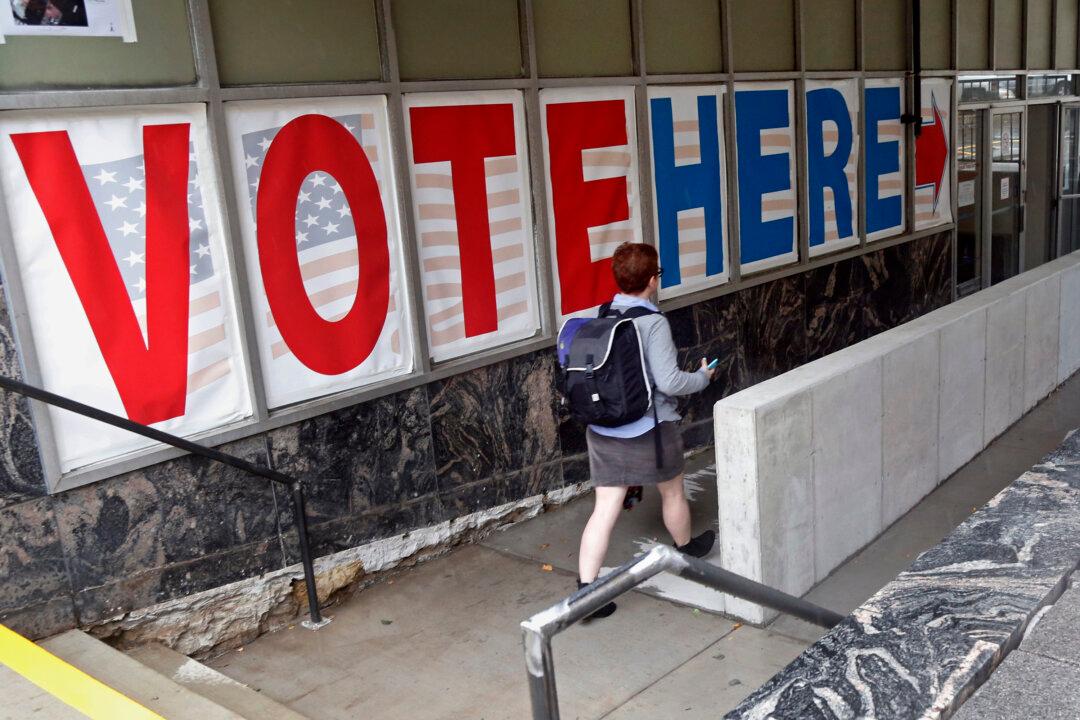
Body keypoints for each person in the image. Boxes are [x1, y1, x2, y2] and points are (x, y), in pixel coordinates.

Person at [577, 242, 717, 620]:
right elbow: (669, 382)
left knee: (605, 507)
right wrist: (702, 378)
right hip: (649, 428)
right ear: (653, 280)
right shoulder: (652, 322)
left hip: (604, 427)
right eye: (659, 273)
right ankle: (686, 549)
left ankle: (586, 593)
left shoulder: (600, 313)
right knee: (672, 491)